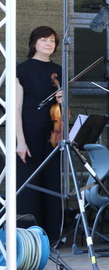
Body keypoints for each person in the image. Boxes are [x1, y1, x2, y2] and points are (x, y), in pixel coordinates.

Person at [16, 26, 63, 245]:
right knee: (29, 183)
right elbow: (15, 108)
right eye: (44, 40)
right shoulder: (22, 70)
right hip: (30, 130)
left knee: (52, 183)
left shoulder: (58, 70)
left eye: (52, 41)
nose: (48, 44)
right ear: (34, 43)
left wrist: (64, 101)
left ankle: (52, 236)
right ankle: (28, 237)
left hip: (53, 132)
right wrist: (20, 141)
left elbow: (63, 110)